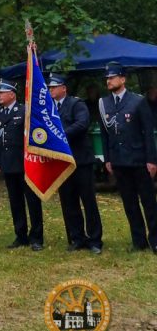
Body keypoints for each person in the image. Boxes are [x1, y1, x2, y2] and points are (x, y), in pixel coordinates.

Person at [99, 62, 157, 253]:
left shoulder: (138, 101)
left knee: (149, 202)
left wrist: (151, 160)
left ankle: (155, 240)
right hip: (119, 160)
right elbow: (104, 134)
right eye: (107, 78)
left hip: (139, 159)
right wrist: (108, 159)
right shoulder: (104, 103)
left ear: (123, 79)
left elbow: (148, 132)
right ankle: (138, 241)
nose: (109, 80)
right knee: (129, 203)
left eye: (112, 77)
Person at [48, 73, 103, 254]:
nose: (51, 90)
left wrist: (60, 136)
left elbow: (82, 124)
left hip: (80, 160)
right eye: (50, 87)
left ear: (64, 88)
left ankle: (95, 240)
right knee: (68, 201)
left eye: (54, 87)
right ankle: (77, 237)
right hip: (62, 162)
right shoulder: (49, 109)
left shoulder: (76, 104)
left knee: (88, 201)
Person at [0, 79, 43, 251]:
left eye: (2, 92)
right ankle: (20, 235)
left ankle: (36, 237)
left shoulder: (24, 111)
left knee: (32, 201)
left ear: (12, 94)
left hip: (24, 164)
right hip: (7, 163)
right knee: (15, 201)